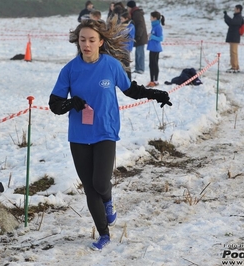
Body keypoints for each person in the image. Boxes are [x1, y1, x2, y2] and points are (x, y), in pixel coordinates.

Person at [48, 18, 172, 251]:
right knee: (89, 187)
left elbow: (131, 90)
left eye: (91, 40)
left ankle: (108, 202)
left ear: (100, 42)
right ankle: (104, 233)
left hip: (105, 131)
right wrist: (71, 103)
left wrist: (156, 94)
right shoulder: (70, 69)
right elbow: (54, 104)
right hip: (79, 135)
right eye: (82, 40)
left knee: (100, 182)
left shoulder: (111, 65)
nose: (86, 44)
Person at [126, 1, 148, 74]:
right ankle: (137, 68)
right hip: (138, 36)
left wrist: (138, 35)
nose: (127, 9)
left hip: (140, 37)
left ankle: (141, 68)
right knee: (137, 53)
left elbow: (140, 25)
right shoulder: (134, 13)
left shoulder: (137, 13)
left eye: (128, 7)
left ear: (130, 7)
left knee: (140, 53)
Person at [146, 11, 165, 87]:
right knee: (151, 64)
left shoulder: (158, 27)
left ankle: (155, 81)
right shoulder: (154, 26)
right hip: (152, 48)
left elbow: (161, 38)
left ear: (155, 18)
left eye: (151, 17)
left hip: (155, 49)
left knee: (154, 64)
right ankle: (152, 80)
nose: (150, 19)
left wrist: (152, 36)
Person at [224, 4, 244, 73]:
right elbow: (230, 23)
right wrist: (226, 17)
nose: (234, 10)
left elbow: (232, 22)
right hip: (233, 37)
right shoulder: (237, 17)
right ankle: (235, 66)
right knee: (233, 53)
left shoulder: (239, 17)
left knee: (233, 53)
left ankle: (234, 67)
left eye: (235, 9)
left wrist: (226, 16)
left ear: (238, 9)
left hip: (235, 37)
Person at [120, 10, 135, 81]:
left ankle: (129, 80)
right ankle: (123, 79)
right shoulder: (121, 26)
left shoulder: (131, 26)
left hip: (126, 48)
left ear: (126, 19)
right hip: (120, 48)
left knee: (127, 65)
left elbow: (127, 34)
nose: (120, 20)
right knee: (121, 65)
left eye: (122, 19)